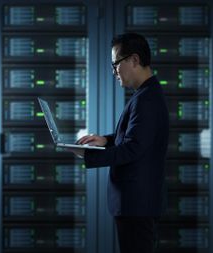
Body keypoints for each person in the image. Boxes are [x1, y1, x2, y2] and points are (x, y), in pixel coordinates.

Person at [67, 33, 169, 253]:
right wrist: (105, 140)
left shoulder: (147, 99)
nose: (114, 71)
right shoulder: (145, 94)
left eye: (116, 64)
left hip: (137, 205)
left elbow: (133, 148)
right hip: (137, 204)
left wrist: (87, 154)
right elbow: (136, 138)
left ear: (133, 60)